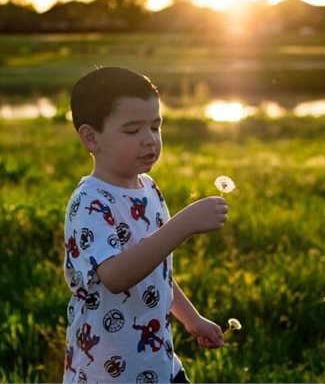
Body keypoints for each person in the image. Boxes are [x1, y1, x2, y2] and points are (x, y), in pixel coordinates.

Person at [63, 66, 228, 383]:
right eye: (132, 130)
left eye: (155, 126)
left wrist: (191, 319)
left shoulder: (148, 189)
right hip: (107, 371)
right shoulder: (90, 202)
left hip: (159, 364)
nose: (149, 140)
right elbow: (115, 275)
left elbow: (155, 268)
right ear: (91, 137)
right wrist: (183, 225)